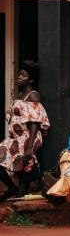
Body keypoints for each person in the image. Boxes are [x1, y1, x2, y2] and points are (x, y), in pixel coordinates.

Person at [0, 61, 50, 202]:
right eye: (19, 74)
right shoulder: (22, 94)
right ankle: (12, 188)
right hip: (16, 137)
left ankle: (19, 201)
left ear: (31, 79)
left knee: (25, 167)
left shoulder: (33, 96)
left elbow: (35, 122)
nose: (19, 77)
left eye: (23, 75)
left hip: (28, 136)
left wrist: (29, 145)